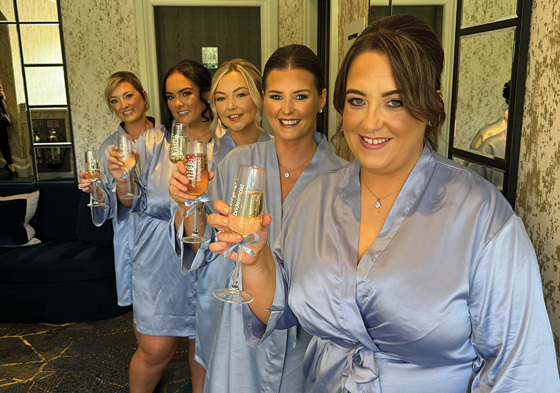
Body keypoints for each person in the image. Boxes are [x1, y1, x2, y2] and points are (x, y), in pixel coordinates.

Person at [207, 15, 560, 392]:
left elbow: (521, 370)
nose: (370, 122)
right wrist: (257, 261)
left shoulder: (480, 215)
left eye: (395, 102)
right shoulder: (317, 199)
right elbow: (278, 309)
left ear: (430, 106)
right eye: (357, 101)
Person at [169, 45, 346, 392]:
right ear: (264, 99)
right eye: (277, 96)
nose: (288, 109)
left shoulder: (343, 178)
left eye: (301, 96)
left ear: (322, 99)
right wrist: (184, 204)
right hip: (240, 326)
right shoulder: (237, 162)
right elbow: (200, 245)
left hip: (307, 336)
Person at [77, 70, 200, 393]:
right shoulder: (109, 149)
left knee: (200, 341)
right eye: (114, 101)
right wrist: (99, 189)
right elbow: (118, 205)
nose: (124, 105)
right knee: (155, 346)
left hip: (179, 238)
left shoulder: (172, 137)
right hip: (141, 247)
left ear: (144, 96)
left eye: (128, 95)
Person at [170, 58, 271, 379]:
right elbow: (195, 239)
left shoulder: (282, 152)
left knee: (263, 370)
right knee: (211, 363)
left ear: (259, 96)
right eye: (221, 98)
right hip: (218, 280)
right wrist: (186, 203)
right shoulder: (203, 158)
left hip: (270, 282)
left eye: (240, 95)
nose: (231, 106)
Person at [0, 81, 18, 179]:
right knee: (4, 144)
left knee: (4, 143)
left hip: (1, 120)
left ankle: (11, 167)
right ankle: (11, 168)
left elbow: (4, 99)